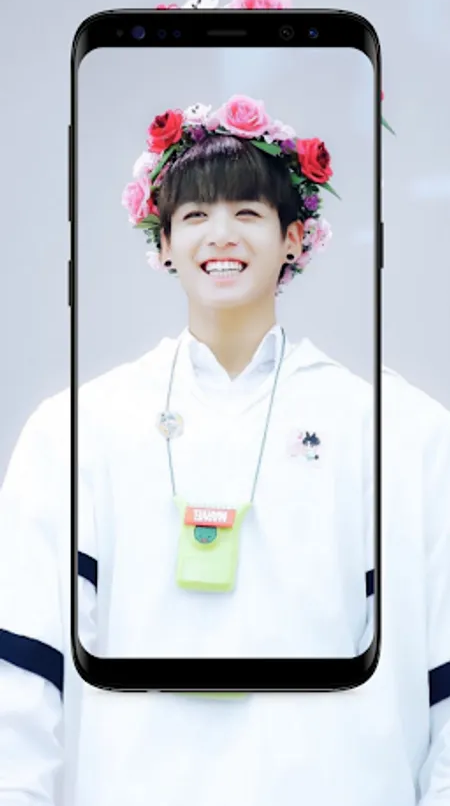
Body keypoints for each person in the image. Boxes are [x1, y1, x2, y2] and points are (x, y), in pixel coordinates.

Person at [0, 92, 448, 806]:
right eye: (194, 215)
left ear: (295, 237)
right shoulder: (78, 430)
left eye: (247, 212)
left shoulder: (398, 431)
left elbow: (442, 668)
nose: (220, 235)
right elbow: (22, 677)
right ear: (162, 243)